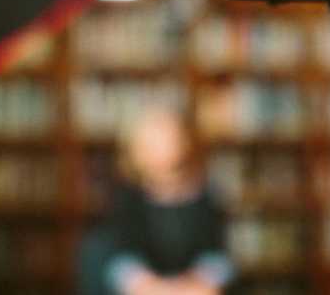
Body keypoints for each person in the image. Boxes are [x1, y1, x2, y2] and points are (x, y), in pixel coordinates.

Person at [81, 107, 234, 295]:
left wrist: (198, 283)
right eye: (152, 142)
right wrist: (151, 287)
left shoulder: (205, 194)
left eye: (167, 138)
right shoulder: (126, 197)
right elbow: (121, 255)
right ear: (136, 150)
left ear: (183, 141)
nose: (162, 147)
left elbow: (216, 252)